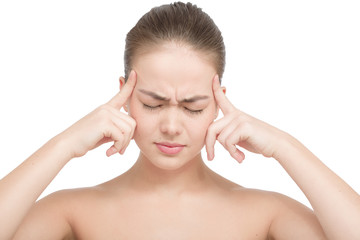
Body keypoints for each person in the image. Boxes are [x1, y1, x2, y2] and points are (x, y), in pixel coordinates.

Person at [1, 2, 359, 239]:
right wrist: (63, 145)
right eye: (153, 103)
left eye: (193, 107)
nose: (172, 126)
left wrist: (284, 146)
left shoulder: (266, 214)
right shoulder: (72, 211)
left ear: (219, 103)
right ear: (123, 95)